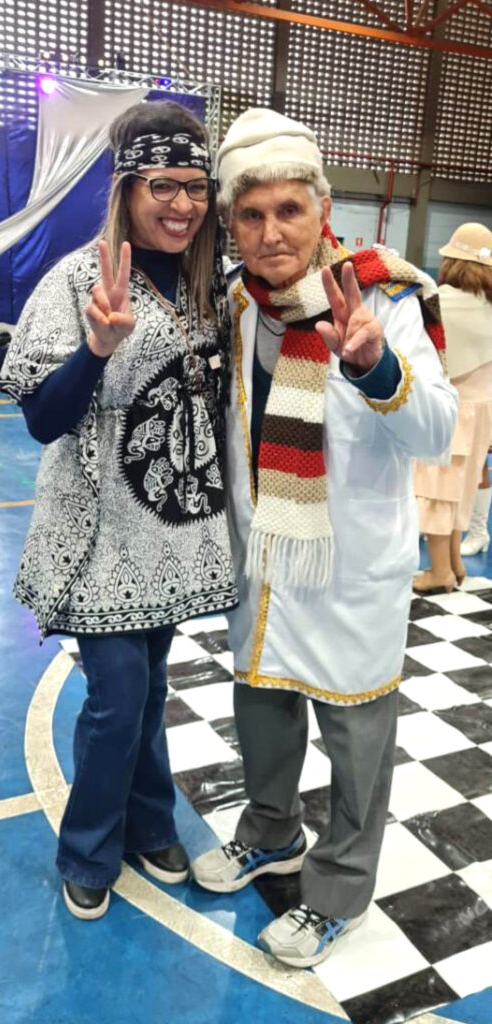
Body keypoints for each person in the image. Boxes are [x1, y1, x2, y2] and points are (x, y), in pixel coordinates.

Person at [191, 108, 457, 967]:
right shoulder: (232, 302)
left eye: (288, 210)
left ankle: (338, 889)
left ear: (322, 209)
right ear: (230, 221)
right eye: (250, 214)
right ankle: (271, 832)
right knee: (261, 712)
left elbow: (436, 433)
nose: (270, 232)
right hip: (266, 559)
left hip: (350, 569)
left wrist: (375, 365)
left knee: (355, 742)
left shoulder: (383, 293)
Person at [0, 100, 237, 920]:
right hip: (96, 535)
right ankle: (89, 850)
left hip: (169, 533)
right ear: (127, 189)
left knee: (149, 684)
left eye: (195, 187)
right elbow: (42, 419)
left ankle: (149, 823)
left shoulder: (209, 287)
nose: (181, 204)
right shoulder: (76, 280)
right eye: (161, 186)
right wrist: (96, 349)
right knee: (118, 696)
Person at [414, 223, 492, 591]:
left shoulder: (438, 301)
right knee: (462, 488)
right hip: (483, 411)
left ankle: (440, 571)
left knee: (436, 488)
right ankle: (456, 564)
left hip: (451, 408)